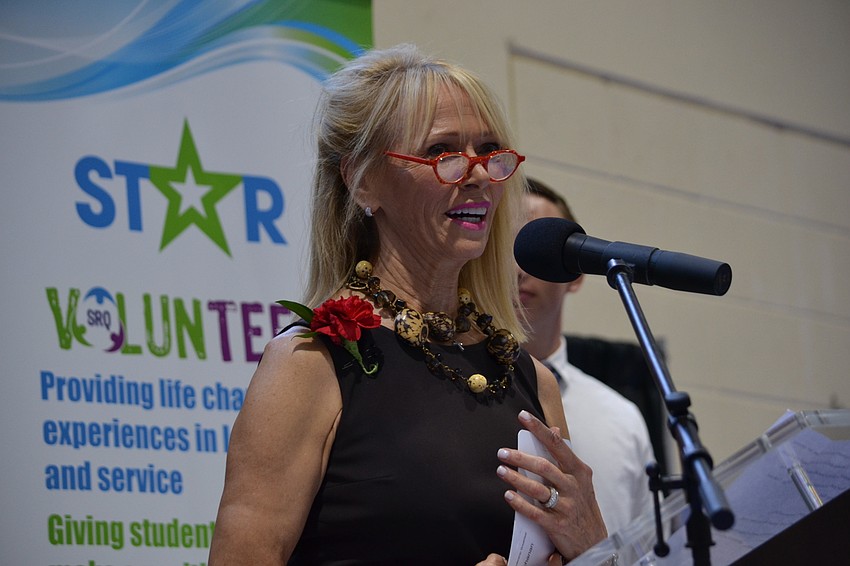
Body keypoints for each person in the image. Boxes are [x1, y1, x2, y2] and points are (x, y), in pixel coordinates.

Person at [208, 44, 607, 565]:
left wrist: (594, 545)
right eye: (443, 153)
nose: (481, 174)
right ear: (363, 179)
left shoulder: (534, 381)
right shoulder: (311, 363)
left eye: (490, 150)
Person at [517, 178, 656, 535]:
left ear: (575, 275)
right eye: (509, 247)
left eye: (538, 250)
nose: (520, 266)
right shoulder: (452, 393)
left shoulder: (622, 420)